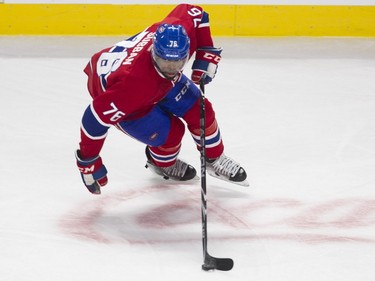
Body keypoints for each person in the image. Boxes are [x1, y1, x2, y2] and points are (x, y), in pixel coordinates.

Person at [75, 4, 248, 194]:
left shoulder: (179, 33)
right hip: (127, 96)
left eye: (178, 62)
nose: (172, 68)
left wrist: (205, 49)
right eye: (166, 62)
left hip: (146, 79)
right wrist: (88, 160)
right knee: (172, 133)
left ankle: (214, 159)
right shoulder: (130, 86)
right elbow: (95, 118)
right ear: (154, 52)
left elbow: (196, 12)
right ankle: (162, 163)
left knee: (200, 109)